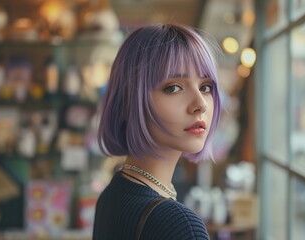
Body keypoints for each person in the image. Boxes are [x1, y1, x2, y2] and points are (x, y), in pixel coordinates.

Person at [93, 23, 221, 240]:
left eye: (205, 87)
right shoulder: (180, 225)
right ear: (128, 102)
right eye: (173, 88)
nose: (200, 104)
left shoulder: (113, 192)